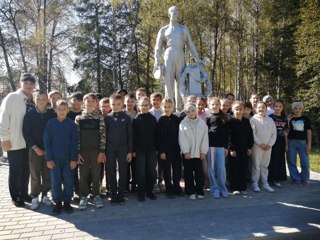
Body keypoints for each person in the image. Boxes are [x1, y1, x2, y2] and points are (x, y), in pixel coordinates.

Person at [154, 6, 202, 110]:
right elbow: (158, 48)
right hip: (168, 55)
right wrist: (156, 61)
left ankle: (179, 108)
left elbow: (190, 45)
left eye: (177, 13)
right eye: (173, 12)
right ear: (169, 14)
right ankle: (169, 108)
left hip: (180, 54)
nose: (175, 14)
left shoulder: (183, 29)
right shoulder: (164, 30)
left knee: (181, 83)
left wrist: (198, 58)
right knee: (168, 83)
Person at [0, 73, 36, 207]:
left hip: (28, 141)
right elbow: (3, 118)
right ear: (20, 83)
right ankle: (15, 197)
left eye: (31, 83)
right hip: (14, 141)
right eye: (26, 82)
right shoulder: (12, 97)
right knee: (15, 170)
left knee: (26, 169)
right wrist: (4, 138)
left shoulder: (32, 99)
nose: (28, 85)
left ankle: (24, 193)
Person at [44, 100, 78, 215]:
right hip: (54, 159)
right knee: (55, 181)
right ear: (55, 110)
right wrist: (48, 159)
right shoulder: (50, 123)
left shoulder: (72, 124)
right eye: (59, 109)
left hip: (68, 159)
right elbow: (47, 142)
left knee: (68, 180)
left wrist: (74, 159)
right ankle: (58, 202)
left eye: (64, 109)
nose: (62, 111)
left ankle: (67, 202)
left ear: (68, 110)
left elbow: (74, 142)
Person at [23, 91, 56, 210]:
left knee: (47, 173)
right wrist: (35, 147)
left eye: (43, 99)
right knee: (35, 173)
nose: (41, 101)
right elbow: (26, 133)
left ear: (47, 100)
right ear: (34, 100)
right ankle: (35, 196)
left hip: (49, 150)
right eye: (38, 99)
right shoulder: (29, 115)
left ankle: (45, 195)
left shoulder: (52, 114)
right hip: (34, 149)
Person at [75, 93, 106, 210]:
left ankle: (96, 195)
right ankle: (83, 196)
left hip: (96, 151)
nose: (90, 103)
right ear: (84, 102)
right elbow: (76, 136)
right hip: (82, 152)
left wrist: (102, 151)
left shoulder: (99, 117)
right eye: (88, 101)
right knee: (82, 174)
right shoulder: (79, 118)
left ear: (96, 103)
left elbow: (103, 136)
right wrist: (77, 153)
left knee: (96, 174)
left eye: (93, 101)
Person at [105, 94, 132, 205]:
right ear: (110, 105)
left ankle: (121, 194)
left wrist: (130, 151)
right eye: (113, 104)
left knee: (123, 171)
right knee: (111, 171)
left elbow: (130, 135)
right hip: (110, 148)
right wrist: (104, 151)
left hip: (123, 148)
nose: (115, 106)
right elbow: (104, 135)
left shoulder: (126, 118)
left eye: (118, 104)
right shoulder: (107, 118)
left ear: (122, 104)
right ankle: (113, 194)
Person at [179, 103, 208, 200]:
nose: (191, 113)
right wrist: (185, 151)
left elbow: (205, 138)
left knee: (199, 173)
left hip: (199, 153)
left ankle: (200, 191)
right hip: (188, 154)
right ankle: (190, 192)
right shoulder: (183, 123)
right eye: (188, 111)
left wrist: (203, 151)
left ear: (196, 111)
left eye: (192, 110)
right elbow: (182, 138)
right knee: (188, 173)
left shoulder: (202, 123)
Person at [133, 97, 157, 202]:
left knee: (151, 171)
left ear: (149, 106)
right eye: (142, 105)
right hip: (139, 150)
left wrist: (157, 148)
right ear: (138, 106)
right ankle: (141, 193)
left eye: (146, 105)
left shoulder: (152, 119)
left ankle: (150, 191)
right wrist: (133, 150)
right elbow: (133, 136)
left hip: (151, 150)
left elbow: (156, 135)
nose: (144, 107)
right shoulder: (136, 119)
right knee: (141, 172)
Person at [157, 98, 183, 198]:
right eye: (165, 107)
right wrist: (162, 151)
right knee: (167, 170)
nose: (167, 109)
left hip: (176, 148)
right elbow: (159, 137)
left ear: (173, 107)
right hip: (165, 149)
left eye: (169, 107)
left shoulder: (176, 119)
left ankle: (177, 187)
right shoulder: (161, 120)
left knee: (177, 169)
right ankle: (169, 189)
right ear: (162, 107)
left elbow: (179, 134)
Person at [250, 101, 277, 193]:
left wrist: (270, 144)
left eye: (263, 107)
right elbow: (252, 134)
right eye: (259, 107)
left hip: (268, 147)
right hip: (257, 146)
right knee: (256, 165)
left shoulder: (270, 120)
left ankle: (265, 183)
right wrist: (260, 143)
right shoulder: (253, 119)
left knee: (265, 165)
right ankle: (255, 183)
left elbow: (274, 133)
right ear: (255, 109)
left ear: (266, 109)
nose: (261, 109)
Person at [228, 101, 254, 195]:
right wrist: (231, 149)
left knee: (243, 167)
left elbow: (250, 135)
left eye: (240, 109)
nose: (238, 111)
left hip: (244, 149)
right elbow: (229, 137)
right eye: (236, 109)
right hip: (234, 150)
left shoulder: (246, 121)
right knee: (234, 168)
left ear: (243, 110)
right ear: (233, 110)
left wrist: (249, 147)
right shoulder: (230, 122)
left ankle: (242, 187)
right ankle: (234, 187)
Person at [206, 97, 229, 199]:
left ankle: (222, 189)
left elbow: (227, 134)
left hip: (220, 147)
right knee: (211, 169)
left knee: (221, 169)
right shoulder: (208, 118)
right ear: (209, 106)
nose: (215, 106)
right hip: (211, 147)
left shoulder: (224, 117)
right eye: (212, 104)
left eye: (217, 104)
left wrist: (226, 147)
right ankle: (214, 189)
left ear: (220, 106)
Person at [287, 101, 312, 186]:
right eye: (295, 108)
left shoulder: (305, 119)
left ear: (302, 109)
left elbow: (309, 131)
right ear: (293, 109)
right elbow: (286, 131)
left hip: (303, 142)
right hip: (291, 141)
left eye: (299, 108)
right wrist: (288, 121)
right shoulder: (290, 118)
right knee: (291, 160)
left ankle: (304, 178)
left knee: (305, 161)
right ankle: (295, 179)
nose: (297, 110)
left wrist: (309, 144)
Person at [67, 92, 83, 197]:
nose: (76, 102)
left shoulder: (85, 114)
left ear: (82, 102)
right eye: (74, 99)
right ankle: (75, 189)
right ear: (70, 100)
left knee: (83, 170)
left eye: (79, 100)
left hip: (83, 145)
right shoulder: (67, 114)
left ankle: (83, 190)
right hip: (69, 145)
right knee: (72, 169)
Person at [268, 100, 288, 187]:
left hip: (281, 141)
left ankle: (277, 179)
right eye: (276, 106)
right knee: (272, 160)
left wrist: (286, 144)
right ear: (274, 107)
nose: (278, 108)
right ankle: (270, 179)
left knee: (280, 160)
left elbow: (286, 132)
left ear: (283, 107)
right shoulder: (270, 117)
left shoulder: (284, 118)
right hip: (272, 142)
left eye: (280, 106)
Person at [124, 94, 138, 192]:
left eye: (132, 101)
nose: (130, 103)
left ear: (136, 102)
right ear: (124, 102)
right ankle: (125, 186)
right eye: (128, 101)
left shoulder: (138, 114)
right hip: (123, 145)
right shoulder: (121, 114)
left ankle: (134, 185)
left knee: (135, 166)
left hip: (135, 144)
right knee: (125, 166)